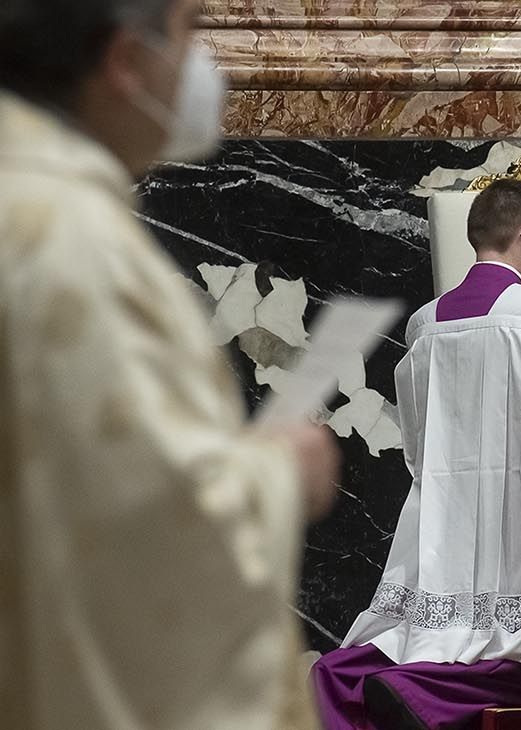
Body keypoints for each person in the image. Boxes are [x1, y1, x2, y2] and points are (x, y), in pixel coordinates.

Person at [0, 1, 341, 728]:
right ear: (124, 62)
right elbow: (150, 529)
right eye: (191, 28)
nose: (206, 61)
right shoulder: (73, 246)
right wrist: (284, 472)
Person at [312, 179, 521, 729]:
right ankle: (410, 694)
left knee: (438, 635)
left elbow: (419, 433)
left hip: (450, 511)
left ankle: (347, 678)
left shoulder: (426, 322)